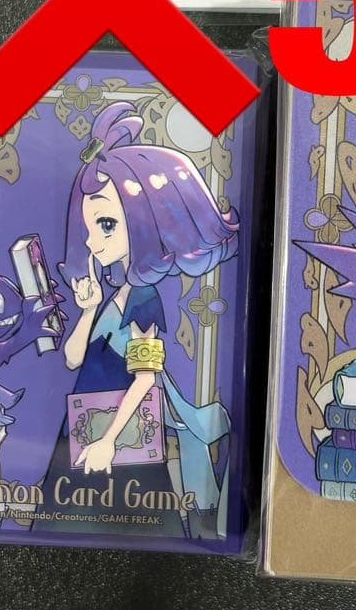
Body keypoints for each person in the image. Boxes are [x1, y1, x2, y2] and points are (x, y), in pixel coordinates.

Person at [34, 101, 238, 539]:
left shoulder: (144, 300)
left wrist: (108, 441)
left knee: (131, 527)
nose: (93, 241)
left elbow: (147, 379)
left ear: (146, 222)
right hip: (84, 425)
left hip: (121, 437)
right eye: (90, 227)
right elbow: (72, 359)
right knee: (62, 525)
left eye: (106, 224)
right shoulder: (114, 296)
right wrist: (88, 308)